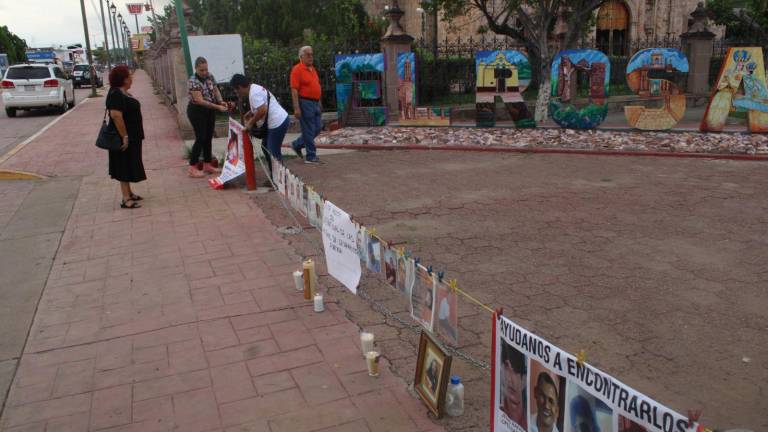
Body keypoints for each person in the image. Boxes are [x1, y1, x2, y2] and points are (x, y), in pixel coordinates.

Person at [229, 73, 290, 184]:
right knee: (265, 146)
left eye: (236, 90)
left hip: (277, 123)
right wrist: (251, 112)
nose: (237, 93)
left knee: (273, 151)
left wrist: (250, 123)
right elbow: (262, 105)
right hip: (279, 120)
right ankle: (275, 176)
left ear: (239, 87)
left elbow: (262, 110)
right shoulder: (254, 88)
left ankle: (280, 180)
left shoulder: (253, 94)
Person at [106, 65, 146, 209]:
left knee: (129, 163)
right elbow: (116, 116)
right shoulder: (116, 94)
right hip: (123, 137)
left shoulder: (121, 92)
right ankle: (125, 198)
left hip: (133, 136)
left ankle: (129, 192)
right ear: (124, 79)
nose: (132, 78)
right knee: (123, 165)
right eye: (129, 76)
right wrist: (125, 136)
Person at [187, 57, 229, 177]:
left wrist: (221, 101)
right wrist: (217, 107)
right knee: (200, 137)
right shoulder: (192, 81)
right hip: (197, 111)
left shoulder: (210, 76)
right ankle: (192, 167)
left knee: (208, 137)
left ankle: (207, 164)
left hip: (209, 111)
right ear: (196, 69)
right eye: (201, 70)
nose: (204, 72)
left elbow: (215, 90)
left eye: (206, 69)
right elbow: (200, 101)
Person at [290, 45, 322, 164]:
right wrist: (296, 107)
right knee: (308, 130)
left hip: (315, 103)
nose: (310, 56)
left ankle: (297, 144)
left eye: (312, 54)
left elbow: (317, 86)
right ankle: (311, 156)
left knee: (318, 128)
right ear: (301, 56)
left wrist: (319, 102)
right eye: (308, 54)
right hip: (305, 102)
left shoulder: (313, 69)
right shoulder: (297, 69)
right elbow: (294, 90)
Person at [500, 342, 527, 429]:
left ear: (524, 379)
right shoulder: (499, 413)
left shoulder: (530, 424)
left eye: (515, 371)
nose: (510, 379)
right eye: (507, 367)